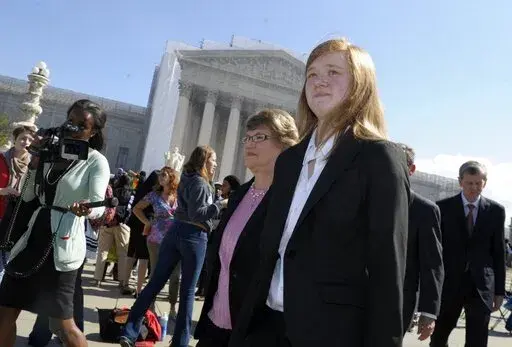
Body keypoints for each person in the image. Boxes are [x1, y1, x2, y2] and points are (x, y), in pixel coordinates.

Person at [229, 38, 410, 347]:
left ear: (360, 84)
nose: (319, 81)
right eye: (311, 74)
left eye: (333, 72)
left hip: (332, 334)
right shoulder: (288, 161)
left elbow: (386, 273)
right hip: (266, 327)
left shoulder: (378, 157)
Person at [0, 99, 110, 347]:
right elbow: (29, 196)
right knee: (4, 310)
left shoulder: (96, 161)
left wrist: (86, 210)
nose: (73, 127)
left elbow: (99, 204)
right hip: (33, 239)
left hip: (63, 246)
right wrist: (35, 165)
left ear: (93, 132)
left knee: (63, 324)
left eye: (82, 125)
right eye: (70, 121)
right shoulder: (51, 152)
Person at [195, 109, 299, 347]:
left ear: (285, 145)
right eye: (248, 137)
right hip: (215, 322)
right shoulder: (239, 195)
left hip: (254, 331)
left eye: (260, 137)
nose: (249, 143)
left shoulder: (289, 201)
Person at [120, 145, 223, 347]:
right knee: (187, 292)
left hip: (174, 232)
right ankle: (180, 342)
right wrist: (221, 205)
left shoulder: (186, 179)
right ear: (204, 161)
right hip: (194, 235)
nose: (215, 165)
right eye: (213, 160)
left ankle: (130, 331)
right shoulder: (202, 184)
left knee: (154, 283)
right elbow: (199, 214)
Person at [430, 161, 506, 347]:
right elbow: (434, 251)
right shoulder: (442, 208)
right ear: (460, 182)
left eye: (478, 183)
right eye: (469, 183)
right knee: (439, 337)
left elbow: (498, 253)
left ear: (484, 183)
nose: (474, 188)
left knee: (477, 341)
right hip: (449, 284)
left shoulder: (496, 211)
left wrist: (499, 292)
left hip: (481, 287)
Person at [399, 144, 444, 339]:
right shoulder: (365, 202)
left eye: (399, 165)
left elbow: (432, 264)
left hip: (399, 303)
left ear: (412, 169)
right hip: (357, 299)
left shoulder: (424, 211)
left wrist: (428, 312)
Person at [133, 166, 181, 316]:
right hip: (156, 239)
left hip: (176, 240)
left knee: (175, 276)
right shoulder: (154, 195)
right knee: (155, 274)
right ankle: (150, 305)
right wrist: (147, 222)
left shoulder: (179, 195)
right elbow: (136, 208)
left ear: (172, 177)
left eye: (164, 175)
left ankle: (173, 306)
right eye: (160, 175)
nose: (161, 177)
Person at [0, 125, 36, 284]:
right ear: (14, 139)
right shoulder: (2, 159)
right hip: (0, 211)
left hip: (17, 218)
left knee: (4, 259)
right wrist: (3, 190)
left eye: (29, 139)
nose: (25, 142)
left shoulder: (34, 165)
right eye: (22, 138)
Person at [93, 173, 132, 288]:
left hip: (107, 222)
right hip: (121, 224)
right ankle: (122, 281)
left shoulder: (112, 190)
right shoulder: (129, 193)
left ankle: (98, 279)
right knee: (123, 254)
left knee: (102, 251)